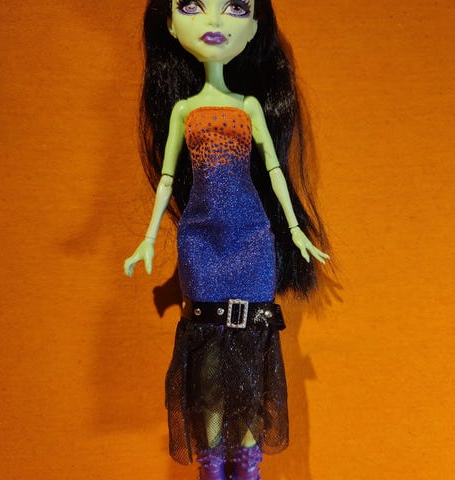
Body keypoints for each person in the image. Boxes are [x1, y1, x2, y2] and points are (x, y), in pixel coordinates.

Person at [124, 1, 329, 479]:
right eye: (192, 6)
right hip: (200, 240)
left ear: (254, 28)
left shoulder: (249, 106)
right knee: (209, 360)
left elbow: (275, 170)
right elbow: (168, 178)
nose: (214, 21)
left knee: (251, 357)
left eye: (234, 7)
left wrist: (295, 230)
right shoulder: (183, 110)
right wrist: (149, 237)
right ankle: (212, 468)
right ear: (170, 24)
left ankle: (248, 469)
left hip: (251, 236)